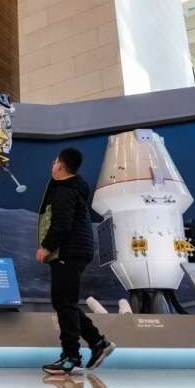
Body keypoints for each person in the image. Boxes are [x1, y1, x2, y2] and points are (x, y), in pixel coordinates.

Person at [36, 147, 115, 375]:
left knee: (64, 302)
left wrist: (46, 247)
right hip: (74, 251)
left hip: (68, 251)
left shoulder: (65, 190)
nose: (52, 165)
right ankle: (98, 343)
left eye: (55, 161)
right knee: (65, 301)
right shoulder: (70, 188)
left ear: (61, 165)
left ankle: (71, 356)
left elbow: (62, 223)